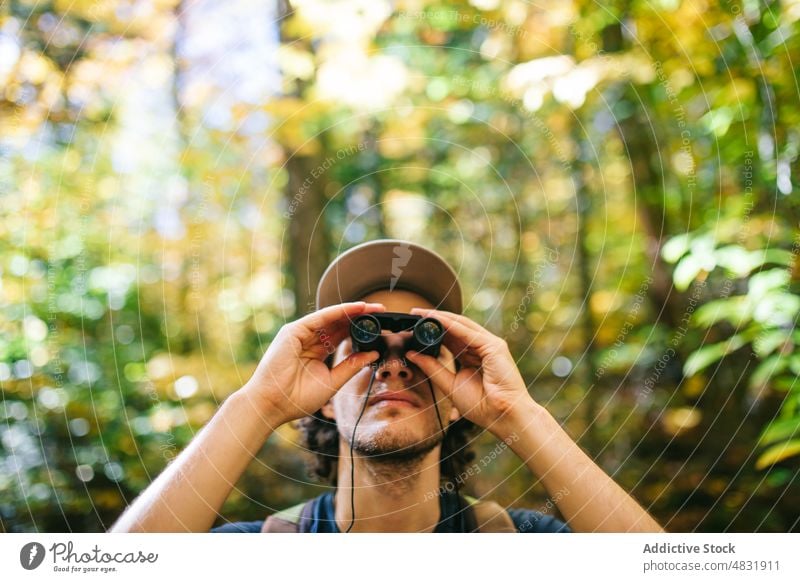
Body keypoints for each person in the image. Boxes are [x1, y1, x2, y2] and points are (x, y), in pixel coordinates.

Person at [109, 239, 663, 533]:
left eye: (423, 347)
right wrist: (258, 403)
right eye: (366, 345)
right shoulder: (260, 552)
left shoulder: (527, 545)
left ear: (456, 401)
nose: (394, 365)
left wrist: (516, 412)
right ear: (324, 393)